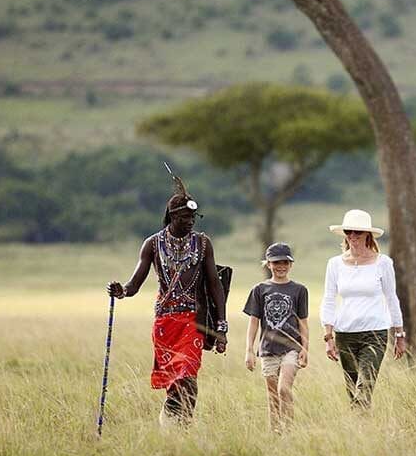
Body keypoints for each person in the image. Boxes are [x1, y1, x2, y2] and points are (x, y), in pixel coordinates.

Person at [107, 173, 228, 426]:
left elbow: (215, 284)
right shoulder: (152, 244)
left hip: (194, 321)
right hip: (165, 323)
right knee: (174, 381)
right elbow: (134, 284)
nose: (190, 222)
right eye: (185, 218)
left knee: (187, 374)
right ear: (172, 217)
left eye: (193, 218)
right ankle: (173, 427)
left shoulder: (203, 243)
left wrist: (221, 326)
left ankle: (179, 426)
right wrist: (122, 291)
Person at [320, 209, 406, 408]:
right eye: (348, 232)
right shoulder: (334, 264)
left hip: (375, 333)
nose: (352, 236)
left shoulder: (383, 263)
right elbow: (329, 299)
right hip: (345, 334)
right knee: (352, 388)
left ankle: (360, 419)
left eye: (357, 232)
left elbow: (392, 298)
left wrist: (399, 335)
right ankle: (361, 430)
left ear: (368, 234)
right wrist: (328, 337)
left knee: (365, 386)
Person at [243, 242, 309, 430]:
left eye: (285, 262)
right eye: (276, 262)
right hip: (268, 350)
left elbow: (303, 322)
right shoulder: (260, 290)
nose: (281, 266)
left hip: (291, 349)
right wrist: (249, 350)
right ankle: (276, 434)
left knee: (283, 389)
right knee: (273, 397)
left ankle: (288, 430)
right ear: (268, 264)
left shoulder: (299, 290)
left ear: (291, 264)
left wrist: (305, 348)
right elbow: (254, 322)